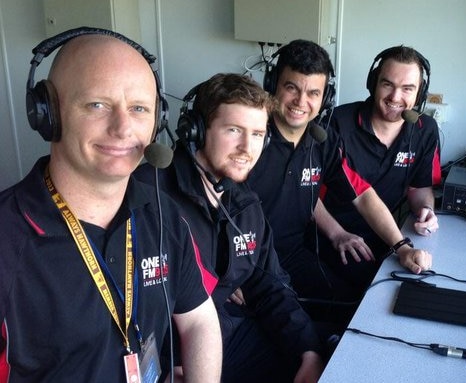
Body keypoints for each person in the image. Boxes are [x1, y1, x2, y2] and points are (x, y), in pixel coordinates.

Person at [0, 28, 221, 382]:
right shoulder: (7, 241)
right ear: (47, 113)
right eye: (97, 105)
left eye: (138, 108)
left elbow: (198, 319)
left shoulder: (164, 215)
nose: (122, 128)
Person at [134, 73, 325, 383]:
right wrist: (170, 364)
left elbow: (269, 284)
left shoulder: (245, 204)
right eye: (234, 130)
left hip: (228, 336)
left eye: (258, 134)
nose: (246, 147)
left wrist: (307, 350)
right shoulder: (148, 195)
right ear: (196, 131)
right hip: (172, 356)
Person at [248, 39, 432, 309]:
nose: (301, 101)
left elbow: (363, 195)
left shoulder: (322, 141)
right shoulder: (249, 137)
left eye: (313, 92)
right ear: (272, 84)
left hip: (292, 256)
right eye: (291, 88)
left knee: (354, 305)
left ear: (326, 97)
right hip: (248, 263)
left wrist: (402, 247)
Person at [316, 45, 442, 284]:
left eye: (407, 88)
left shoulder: (425, 130)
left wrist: (426, 210)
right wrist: (336, 233)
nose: (395, 97)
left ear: (420, 93)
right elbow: (307, 192)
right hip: (332, 235)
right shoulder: (338, 124)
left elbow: (420, 188)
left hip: (385, 235)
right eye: (388, 84)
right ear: (374, 83)